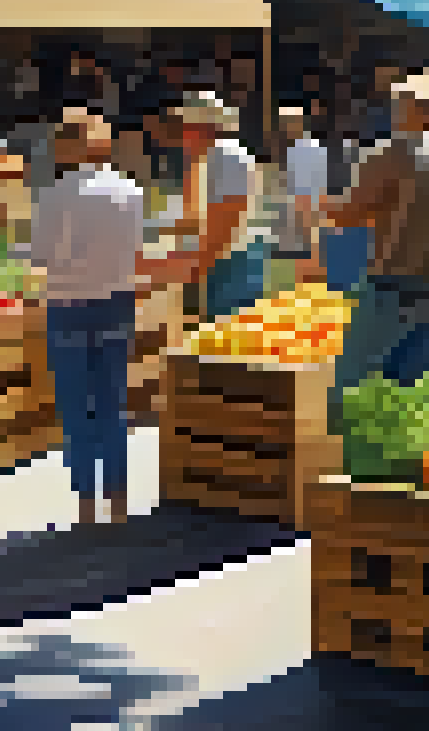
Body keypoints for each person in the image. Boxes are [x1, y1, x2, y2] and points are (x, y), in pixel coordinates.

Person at [31, 108, 174, 526]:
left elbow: (42, 257)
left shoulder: (54, 195)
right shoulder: (130, 191)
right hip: (116, 301)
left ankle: (86, 506)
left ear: (67, 147)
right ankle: (118, 501)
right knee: (113, 403)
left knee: (76, 407)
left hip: (68, 303)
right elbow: (136, 251)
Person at [325, 73, 429, 403]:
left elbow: (349, 214)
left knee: (353, 388)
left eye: (399, 103)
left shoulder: (390, 153)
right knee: (409, 391)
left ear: (411, 108)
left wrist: (322, 206)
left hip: (393, 283)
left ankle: (350, 451)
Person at [167, 92, 265, 323]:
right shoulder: (211, 158)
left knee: (225, 342)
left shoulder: (227, 158)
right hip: (222, 261)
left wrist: (193, 269)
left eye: (186, 126)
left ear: (202, 127)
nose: (182, 134)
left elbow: (225, 228)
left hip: (231, 264)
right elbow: (195, 216)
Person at [274, 107, 330, 286]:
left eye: (286, 124)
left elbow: (305, 192)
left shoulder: (303, 150)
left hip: (302, 214)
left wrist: (305, 221)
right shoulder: (305, 148)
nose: (283, 129)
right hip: (304, 213)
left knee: (298, 268)